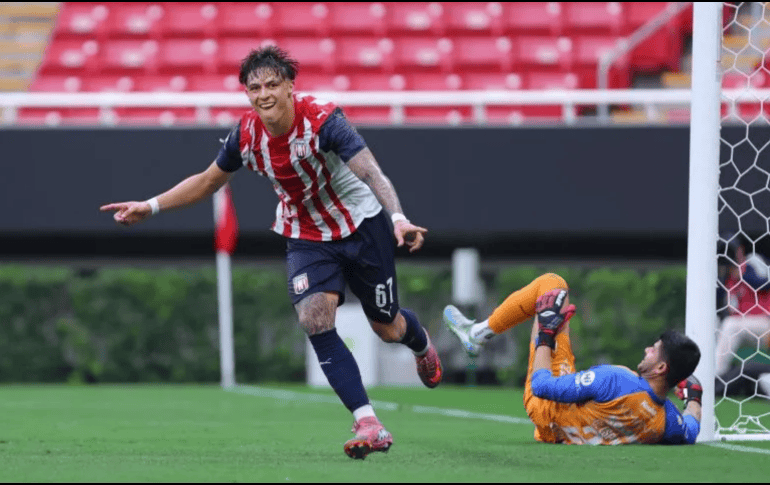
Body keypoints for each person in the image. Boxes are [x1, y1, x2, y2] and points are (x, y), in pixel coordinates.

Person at [100, 46, 442, 460]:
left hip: (362, 226)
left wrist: (398, 218)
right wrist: (150, 206)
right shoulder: (245, 136)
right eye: (254, 87)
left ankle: (421, 345)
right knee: (314, 319)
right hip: (306, 235)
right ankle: (367, 421)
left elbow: (371, 171)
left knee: (387, 328)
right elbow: (208, 181)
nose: (263, 94)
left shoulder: (323, 120)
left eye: (271, 84)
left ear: (290, 87)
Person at [443, 273, 702, 444]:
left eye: (653, 350)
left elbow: (541, 386)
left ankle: (476, 334)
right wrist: (694, 398)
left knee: (552, 285)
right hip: (561, 436)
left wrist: (546, 333)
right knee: (558, 301)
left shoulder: (617, 379)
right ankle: (477, 334)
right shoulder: (666, 421)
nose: (646, 349)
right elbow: (690, 430)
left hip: (545, 408)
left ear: (661, 367)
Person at [716, 235, 770, 377]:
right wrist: (721, 274)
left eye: (731, 251)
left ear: (740, 250)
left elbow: (765, 284)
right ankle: (711, 374)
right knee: (716, 326)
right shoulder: (727, 277)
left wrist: (742, 274)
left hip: (765, 323)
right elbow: (718, 302)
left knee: (731, 325)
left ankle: (715, 375)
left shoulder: (753, 262)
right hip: (745, 329)